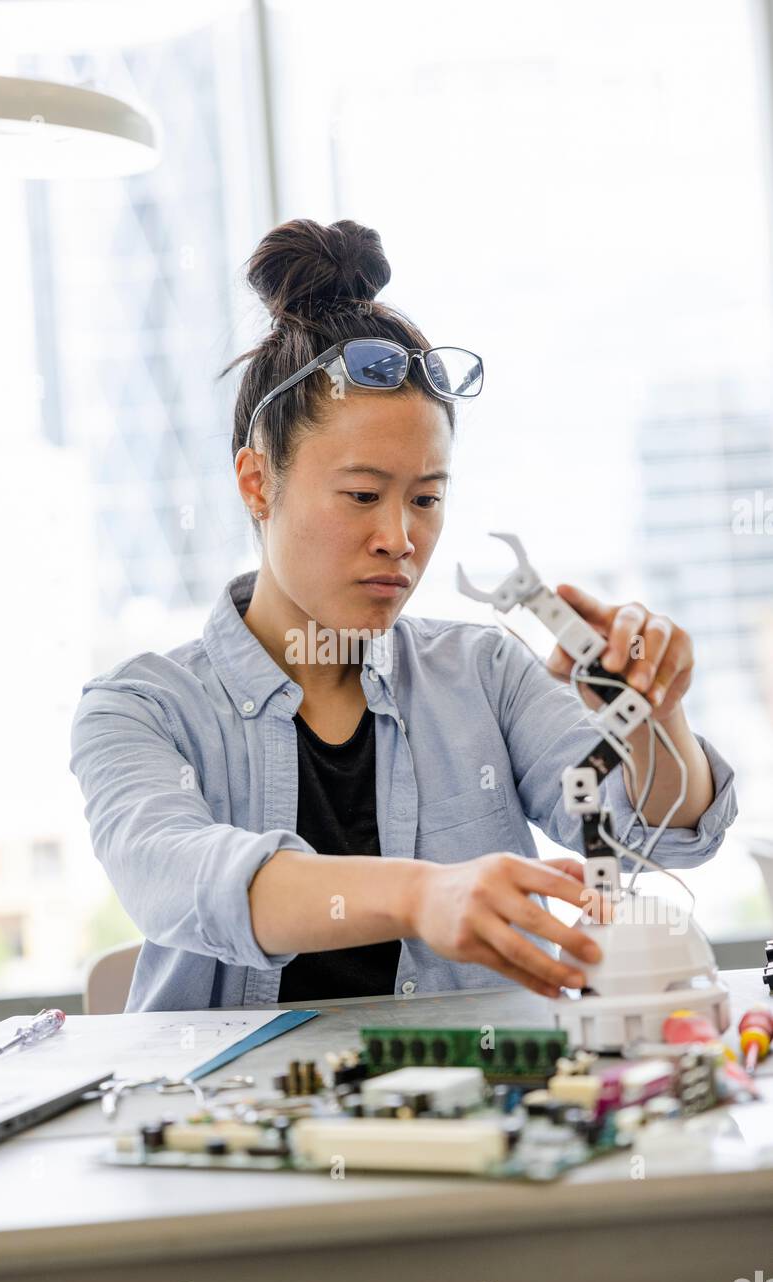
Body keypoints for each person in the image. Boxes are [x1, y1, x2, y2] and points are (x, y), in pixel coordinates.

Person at [69, 217, 738, 1013]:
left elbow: (659, 835)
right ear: (256, 483)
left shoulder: (482, 674)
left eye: (426, 498)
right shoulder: (140, 708)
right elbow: (183, 878)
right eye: (361, 495)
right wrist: (421, 895)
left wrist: (651, 716)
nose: (400, 538)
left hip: (485, 1112)